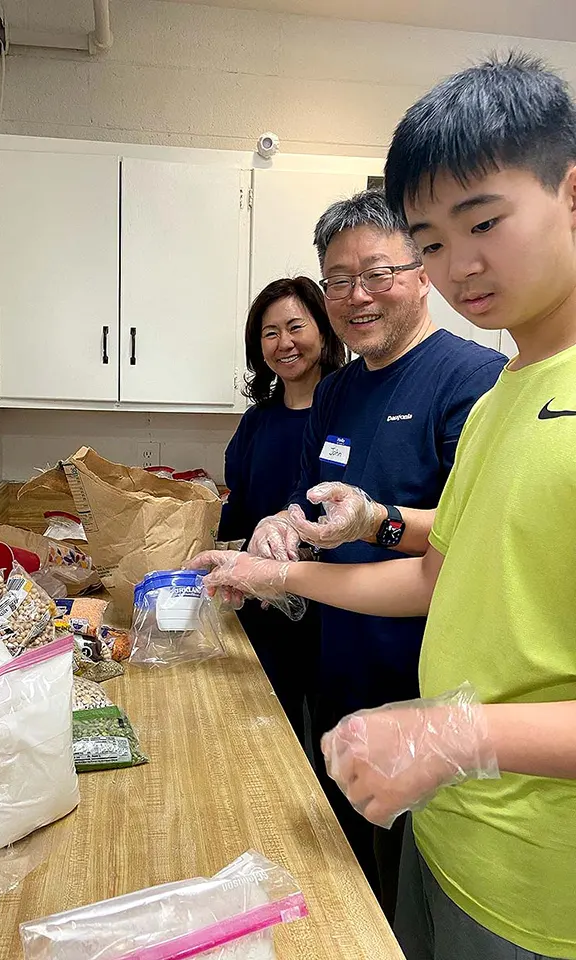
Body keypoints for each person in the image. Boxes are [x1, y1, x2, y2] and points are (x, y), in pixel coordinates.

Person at [194, 53, 576, 960]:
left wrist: (452, 732)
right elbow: (449, 571)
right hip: (450, 832)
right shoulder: (507, 395)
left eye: (484, 221)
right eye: (435, 239)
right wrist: (336, 537)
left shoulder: (470, 378)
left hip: (543, 885)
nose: (461, 264)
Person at [202, 190, 506, 919]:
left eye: (378, 273)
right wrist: (280, 523)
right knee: (348, 883)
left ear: (424, 270)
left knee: (412, 901)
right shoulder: (336, 391)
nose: (356, 295)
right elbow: (310, 501)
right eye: (338, 279)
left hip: (428, 690)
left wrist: (376, 521)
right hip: (339, 671)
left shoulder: (471, 380)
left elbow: (477, 533)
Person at [218, 277, 345, 745]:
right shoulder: (258, 421)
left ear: (325, 329)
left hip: (338, 608)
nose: (284, 343)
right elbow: (240, 506)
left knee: (337, 750)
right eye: (270, 333)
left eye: (296, 326)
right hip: (264, 605)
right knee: (270, 738)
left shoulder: (350, 413)